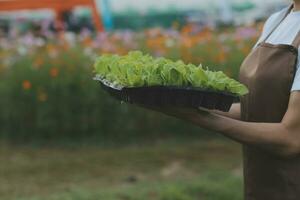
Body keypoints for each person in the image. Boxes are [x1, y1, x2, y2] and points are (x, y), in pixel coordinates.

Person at [142, 1, 300, 199]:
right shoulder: (277, 20)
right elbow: (257, 109)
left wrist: (203, 119)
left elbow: (292, 139)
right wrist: (189, 105)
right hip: (262, 182)